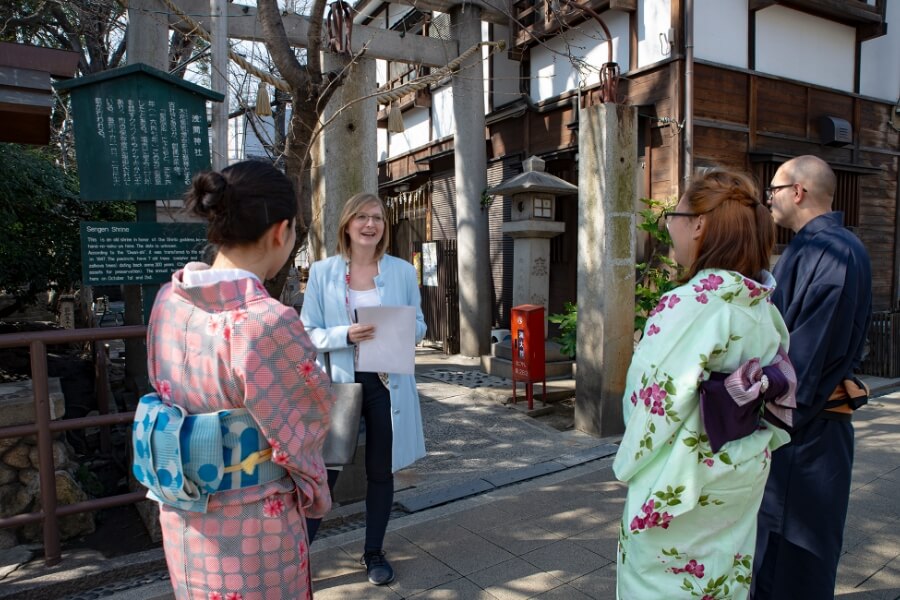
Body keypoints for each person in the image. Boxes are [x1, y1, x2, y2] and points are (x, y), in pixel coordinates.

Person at [133, 160, 333, 599]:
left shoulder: (170, 299)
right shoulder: (266, 322)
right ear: (281, 231)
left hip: (181, 508)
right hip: (251, 519)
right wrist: (315, 488)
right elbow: (304, 425)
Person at [613, 168, 797, 600]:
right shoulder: (760, 301)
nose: (671, 226)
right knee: (721, 576)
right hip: (741, 464)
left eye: (673, 215)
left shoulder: (692, 302)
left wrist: (630, 465)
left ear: (698, 224)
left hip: (687, 475)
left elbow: (651, 402)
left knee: (659, 585)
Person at [752, 155, 872, 599]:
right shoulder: (814, 247)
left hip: (805, 428)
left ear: (798, 192)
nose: (770, 199)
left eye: (774, 191)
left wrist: (765, 414)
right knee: (777, 548)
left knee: (795, 554)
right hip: (799, 424)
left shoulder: (834, 252)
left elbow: (806, 357)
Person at [301, 192, 426, 586]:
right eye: (362, 218)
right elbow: (306, 333)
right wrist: (345, 334)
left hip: (385, 381)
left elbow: (420, 325)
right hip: (339, 383)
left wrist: (401, 328)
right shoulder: (322, 272)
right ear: (347, 225)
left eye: (377, 218)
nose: (370, 225)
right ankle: (295, 555)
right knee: (326, 472)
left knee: (380, 470)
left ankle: (373, 552)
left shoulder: (403, 272)